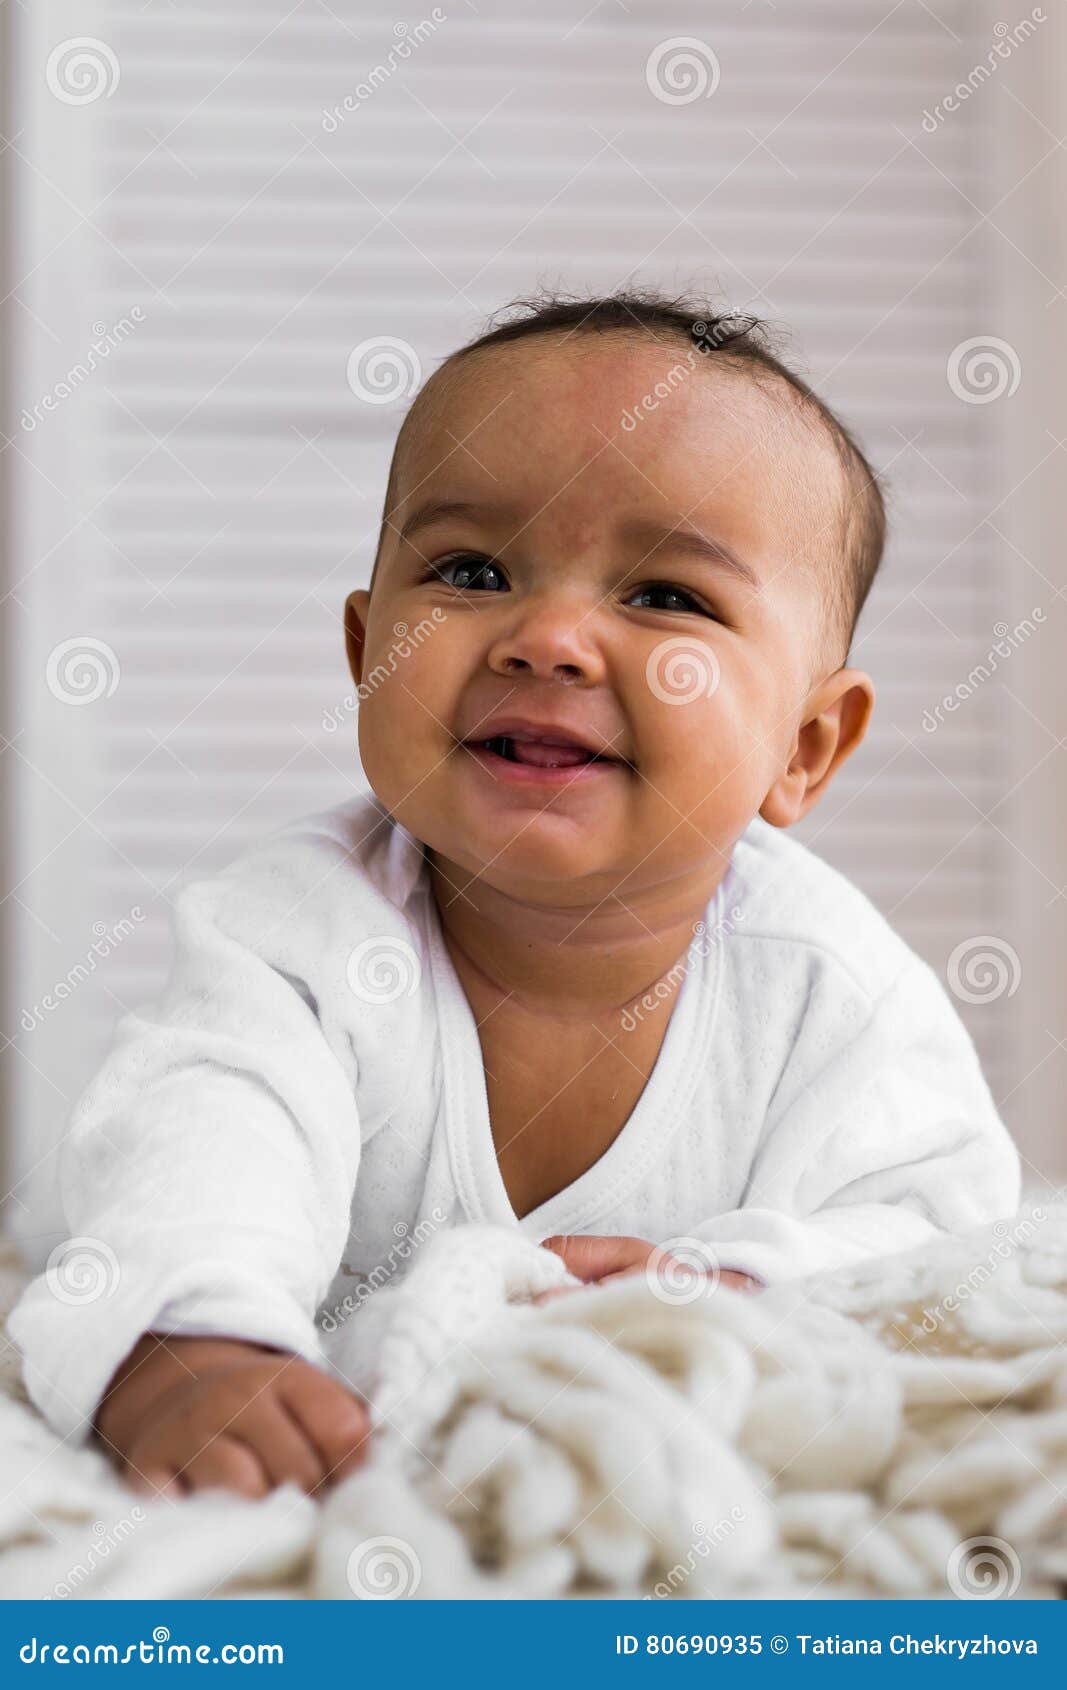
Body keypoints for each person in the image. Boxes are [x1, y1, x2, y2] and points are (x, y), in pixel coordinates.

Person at [9, 291, 1021, 1499]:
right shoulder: (293, 936)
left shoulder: (829, 994)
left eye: (663, 597)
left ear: (804, 744)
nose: (545, 639)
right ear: (363, 650)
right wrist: (191, 1344)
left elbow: (943, 1250)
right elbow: (199, 1145)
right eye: (472, 570)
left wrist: (748, 1292)